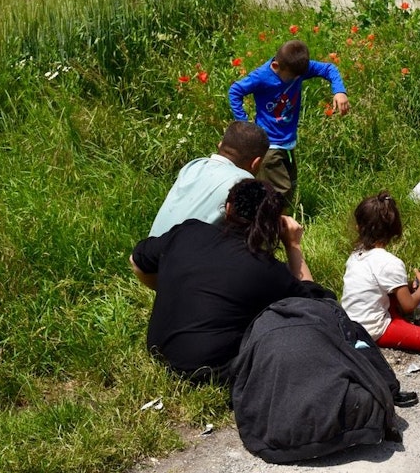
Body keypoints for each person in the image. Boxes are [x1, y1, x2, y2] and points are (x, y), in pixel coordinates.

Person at [129, 179, 317, 385]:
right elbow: (317, 309)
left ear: (228, 208)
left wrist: (170, 289)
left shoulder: (188, 231)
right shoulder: (268, 270)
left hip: (158, 350)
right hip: (212, 372)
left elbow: (136, 261)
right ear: (274, 225)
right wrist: (293, 246)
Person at [228, 39, 350, 206]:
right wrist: (245, 124)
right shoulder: (262, 77)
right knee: (280, 191)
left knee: (290, 186)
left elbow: (329, 68)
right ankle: (275, 226)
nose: (297, 79)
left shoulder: (296, 69)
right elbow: (235, 91)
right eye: (293, 77)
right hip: (269, 144)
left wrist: (339, 91)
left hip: (288, 142)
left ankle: (276, 220)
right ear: (277, 66)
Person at [341, 191, 420, 354]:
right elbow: (408, 306)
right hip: (373, 330)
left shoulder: (354, 256)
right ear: (395, 229)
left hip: (349, 324)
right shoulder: (390, 262)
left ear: (359, 228)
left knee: (396, 289)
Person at [149, 121, 269, 237]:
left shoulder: (194, 165)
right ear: (256, 163)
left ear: (220, 145)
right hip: (186, 255)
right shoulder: (243, 182)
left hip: (146, 252)